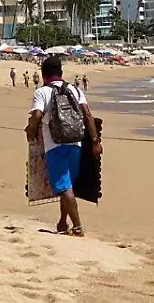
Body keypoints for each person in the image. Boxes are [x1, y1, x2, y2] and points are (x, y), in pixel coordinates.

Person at [25, 56, 102, 237]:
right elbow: (88, 115)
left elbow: (37, 114)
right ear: (61, 72)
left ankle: (77, 227)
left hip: (55, 145)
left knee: (64, 187)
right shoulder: (75, 90)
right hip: (76, 142)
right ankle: (62, 222)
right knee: (67, 185)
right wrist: (95, 141)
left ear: (44, 74)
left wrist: (31, 130)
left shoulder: (42, 92)